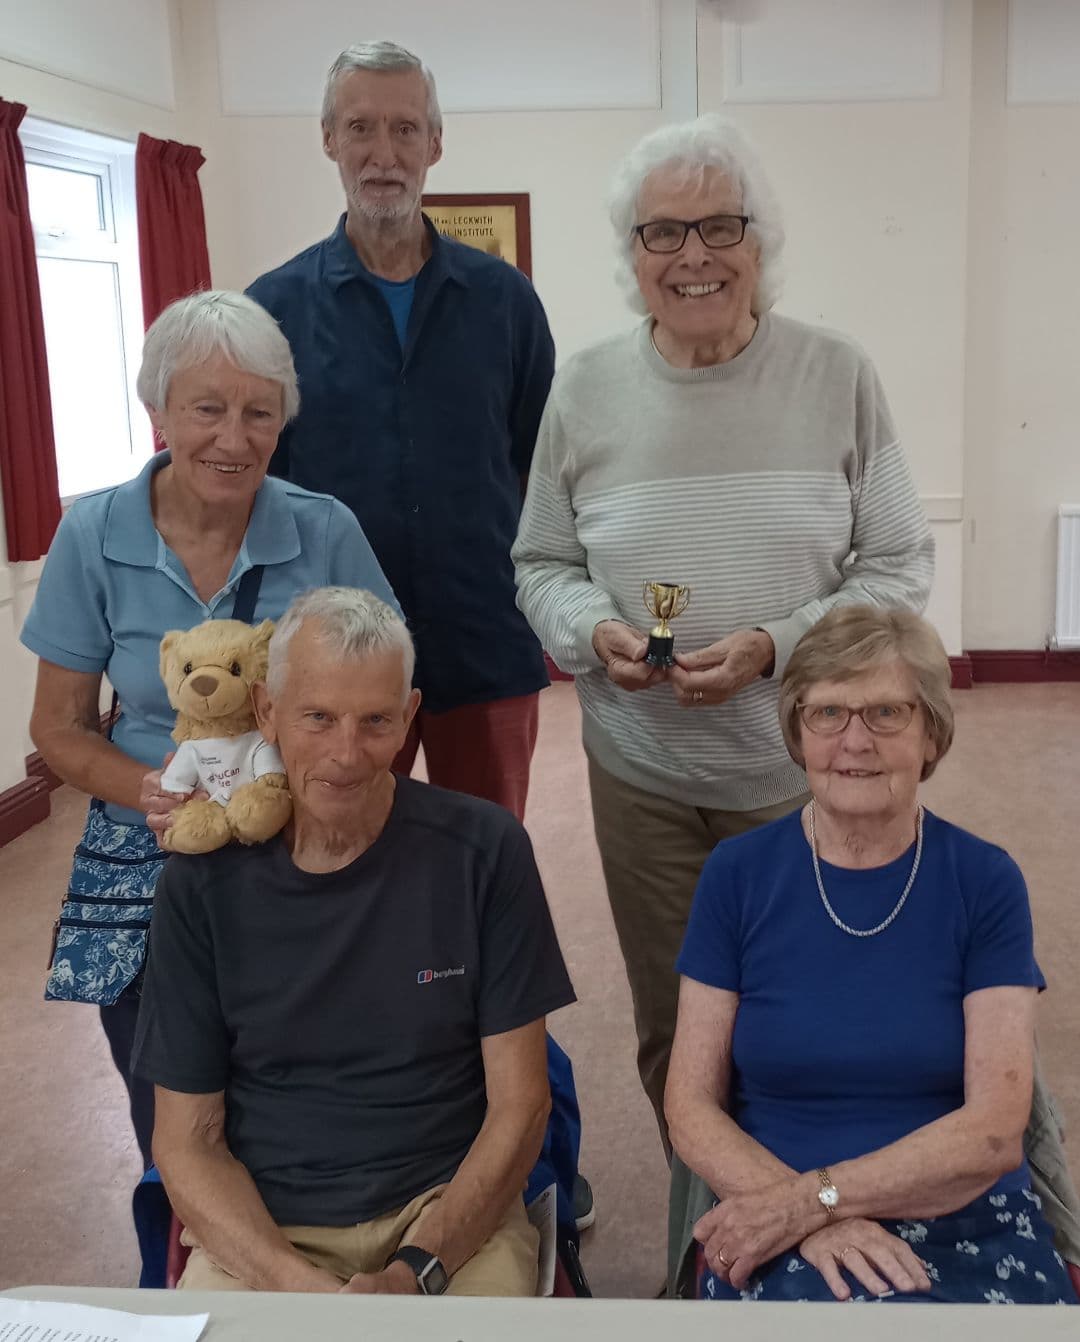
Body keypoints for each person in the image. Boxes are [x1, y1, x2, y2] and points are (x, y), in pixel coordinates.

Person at [512, 113, 934, 1154]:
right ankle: (707, 1262)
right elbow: (541, 563)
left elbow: (897, 567)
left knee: (814, 1030)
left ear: (761, 244)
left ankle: (811, 1249)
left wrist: (776, 644)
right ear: (633, 255)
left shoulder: (837, 374)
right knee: (678, 1032)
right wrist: (594, 628)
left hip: (812, 774)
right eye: (663, 233)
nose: (693, 256)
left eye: (719, 228)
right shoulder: (586, 388)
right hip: (643, 775)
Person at [20, 291, 396, 1169]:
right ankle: (184, 1232)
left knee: (308, 1078)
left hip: (297, 827)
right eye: (207, 409)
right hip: (155, 835)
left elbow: (385, 696)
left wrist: (325, 797)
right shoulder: (93, 535)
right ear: (156, 411)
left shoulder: (322, 529)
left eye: (258, 413)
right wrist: (156, 793)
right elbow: (61, 729)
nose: (234, 438)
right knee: (169, 1092)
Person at [132, 588, 576, 1295]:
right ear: (265, 714)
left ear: (409, 717)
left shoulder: (484, 850)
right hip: (267, 1226)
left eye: (375, 721)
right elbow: (187, 1141)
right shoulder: (199, 885)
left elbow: (521, 1108)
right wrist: (291, 1282)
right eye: (318, 717)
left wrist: (417, 1270)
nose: (346, 754)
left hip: (445, 1214)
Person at [666, 605, 1076, 1305]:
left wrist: (820, 1200)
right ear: (798, 731)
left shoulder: (984, 880)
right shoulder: (738, 874)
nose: (854, 741)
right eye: (827, 714)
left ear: (930, 735)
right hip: (777, 1212)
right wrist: (802, 1218)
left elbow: (994, 1131)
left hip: (962, 1210)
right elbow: (690, 1105)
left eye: (886, 713)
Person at [247, 39, 554, 821]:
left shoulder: (505, 302)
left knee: (482, 863)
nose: (383, 154)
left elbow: (538, 470)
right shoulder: (272, 310)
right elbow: (256, 490)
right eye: (360, 128)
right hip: (332, 667)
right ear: (328, 140)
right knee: (333, 859)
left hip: (483, 642)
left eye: (405, 129)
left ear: (435, 143)